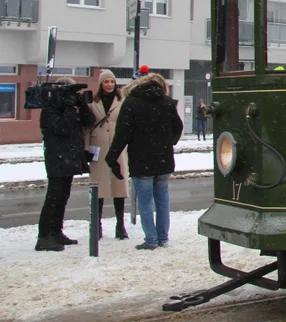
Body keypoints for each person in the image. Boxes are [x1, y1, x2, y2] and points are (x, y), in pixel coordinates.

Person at [105, 72, 184, 251]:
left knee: (145, 200)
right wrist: (168, 141)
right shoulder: (167, 103)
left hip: (141, 160)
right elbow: (178, 127)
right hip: (164, 158)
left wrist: (112, 157)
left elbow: (122, 135)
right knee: (162, 198)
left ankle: (151, 239)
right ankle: (163, 237)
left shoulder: (131, 104)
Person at [35, 77, 94, 251]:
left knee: (62, 197)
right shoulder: (49, 110)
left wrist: (81, 105)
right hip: (57, 158)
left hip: (70, 157)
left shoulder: (70, 109)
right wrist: (69, 108)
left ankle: (56, 231)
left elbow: (89, 120)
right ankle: (44, 237)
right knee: (53, 198)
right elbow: (63, 128)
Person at [85, 69, 129, 240]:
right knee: (99, 186)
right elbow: (88, 127)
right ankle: (97, 225)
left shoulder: (122, 101)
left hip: (118, 147)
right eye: (106, 82)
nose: (109, 85)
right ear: (101, 84)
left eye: (111, 81)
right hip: (99, 146)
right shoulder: (93, 102)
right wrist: (86, 148)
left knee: (119, 185)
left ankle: (120, 224)